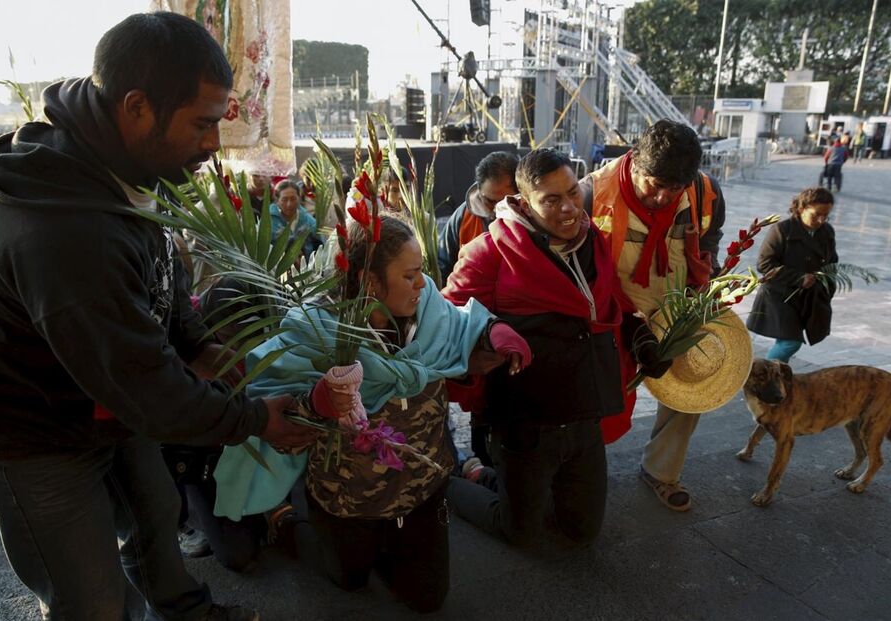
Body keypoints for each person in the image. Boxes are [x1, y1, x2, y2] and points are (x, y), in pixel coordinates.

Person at [0, 12, 315, 620]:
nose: (213, 145)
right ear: (138, 107)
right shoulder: (66, 230)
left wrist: (197, 343)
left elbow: (159, 276)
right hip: (40, 436)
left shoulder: (129, 163)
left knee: (155, 517)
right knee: (90, 597)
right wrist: (255, 419)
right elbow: (146, 386)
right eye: (201, 123)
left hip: (112, 406)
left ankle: (184, 608)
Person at [213, 215, 530, 612]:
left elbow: (463, 324)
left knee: (426, 599)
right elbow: (274, 415)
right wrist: (316, 402)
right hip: (346, 499)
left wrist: (492, 331)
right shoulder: (315, 331)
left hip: (419, 493)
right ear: (370, 281)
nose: (423, 284)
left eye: (421, 273)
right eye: (410, 275)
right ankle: (285, 521)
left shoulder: (429, 309)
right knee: (348, 581)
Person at [443, 148, 628, 547]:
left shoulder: (593, 238)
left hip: (583, 417)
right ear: (525, 204)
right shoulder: (488, 252)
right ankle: (451, 482)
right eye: (552, 199)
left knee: (581, 533)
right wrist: (488, 337)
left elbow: (612, 301)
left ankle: (497, 481)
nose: (569, 208)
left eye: (573, 193)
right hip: (526, 423)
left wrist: (642, 337)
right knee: (521, 533)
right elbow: (448, 320)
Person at [581, 119, 726, 512]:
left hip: (676, 311)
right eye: (654, 185)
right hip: (615, 316)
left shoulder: (706, 191)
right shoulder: (592, 192)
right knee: (598, 402)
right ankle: (580, 475)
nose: (662, 197)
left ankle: (662, 471)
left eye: (673, 188)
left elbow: (710, 237)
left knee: (689, 394)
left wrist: (706, 279)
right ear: (635, 161)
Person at [747, 188, 838, 363]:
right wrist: (799, 278)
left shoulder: (827, 232)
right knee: (790, 343)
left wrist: (827, 285)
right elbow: (764, 264)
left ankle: (778, 380)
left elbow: (831, 263)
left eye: (826, 216)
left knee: (785, 339)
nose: (821, 220)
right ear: (802, 208)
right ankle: (763, 376)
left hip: (806, 297)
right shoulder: (782, 230)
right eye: (816, 214)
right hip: (779, 295)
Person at [437, 150, 519, 283]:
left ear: (519, 194)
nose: (497, 209)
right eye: (489, 201)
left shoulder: (533, 218)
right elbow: (442, 265)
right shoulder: (463, 216)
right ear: (479, 192)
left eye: (503, 202)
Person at [269, 179, 322, 256]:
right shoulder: (268, 222)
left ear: (299, 198)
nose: (289, 204)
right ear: (277, 200)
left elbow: (320, 247)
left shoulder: (309, 221)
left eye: (293, 199)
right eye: (284, 199)